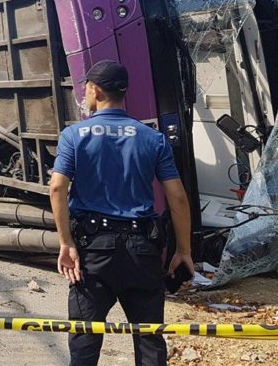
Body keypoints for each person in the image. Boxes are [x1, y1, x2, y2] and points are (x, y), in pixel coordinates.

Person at [49, 60, 195, 366]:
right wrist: (183, 250)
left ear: (95, 90)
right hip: (142, 251)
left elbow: (57, 188)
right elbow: (178, 199)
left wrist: (66, 243)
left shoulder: (74, 135)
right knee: (149, 339)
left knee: (85, 341)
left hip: (93, 253)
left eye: (86, 88)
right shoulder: (152, 138)